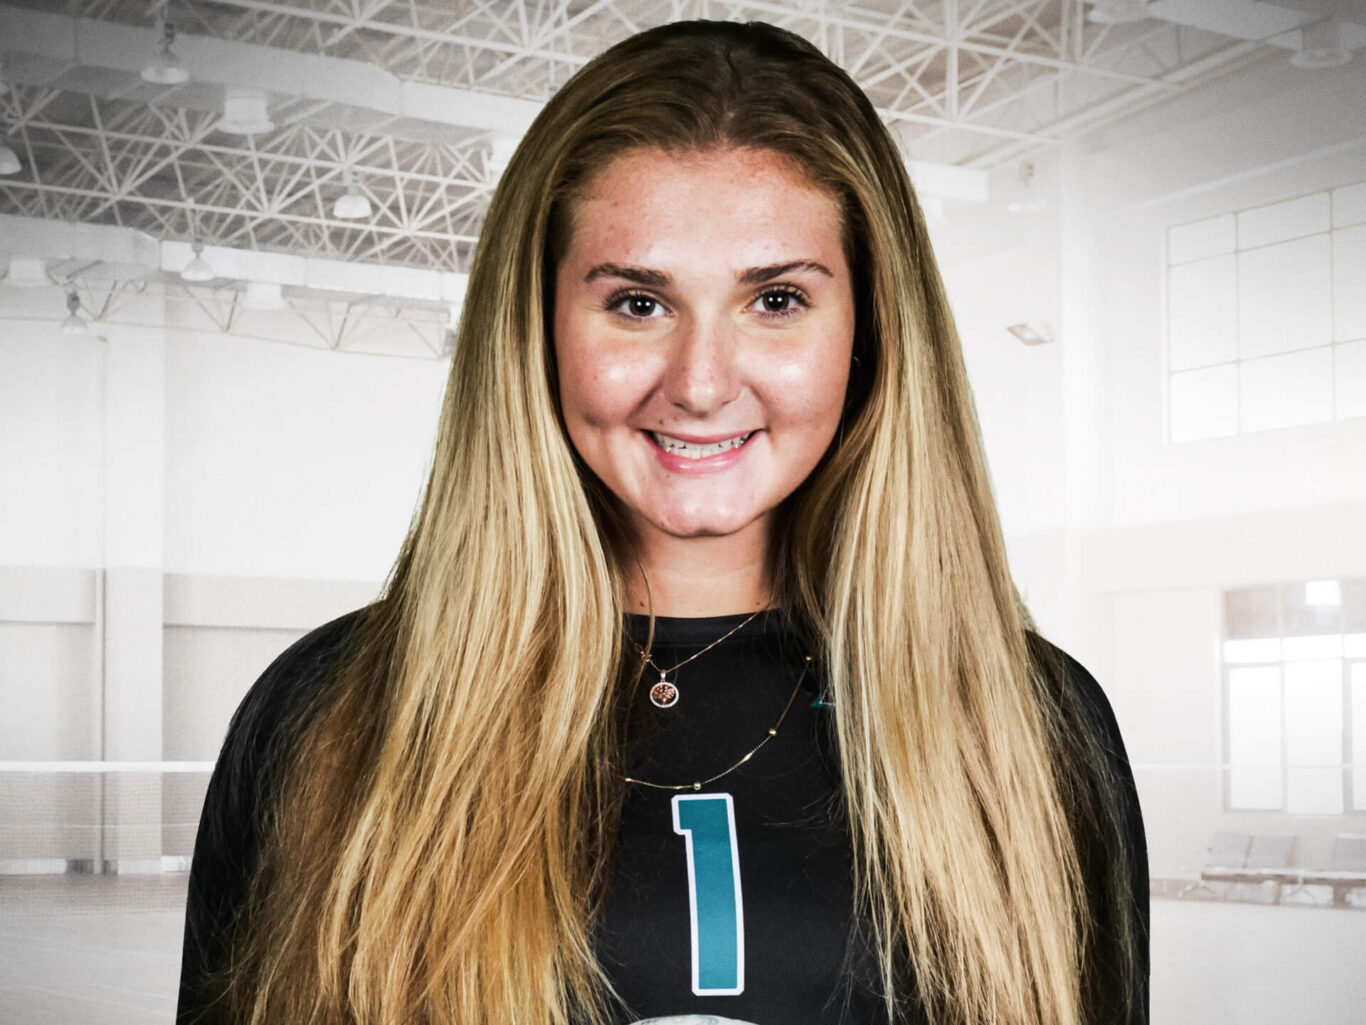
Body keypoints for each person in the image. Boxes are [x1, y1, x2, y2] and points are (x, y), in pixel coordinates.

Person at [177, 19, 1148, 1025]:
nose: (699, 383)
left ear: (868, 331)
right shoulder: (332, 712)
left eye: (774, 299)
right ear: (538, 328)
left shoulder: (1032, 725)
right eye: (638, 303)